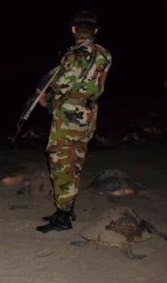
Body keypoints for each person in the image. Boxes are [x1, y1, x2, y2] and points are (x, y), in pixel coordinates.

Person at [36, 11, 112, 233]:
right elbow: (100, 86)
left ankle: (63, 217)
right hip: (88, 114)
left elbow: (62, 86)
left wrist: (45, 100)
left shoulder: (74, 56)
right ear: (95, 31)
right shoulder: (105, 54)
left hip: (69, 117)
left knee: (61, 163)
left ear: (73, 30)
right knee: (75, 161)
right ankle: (67, 208)